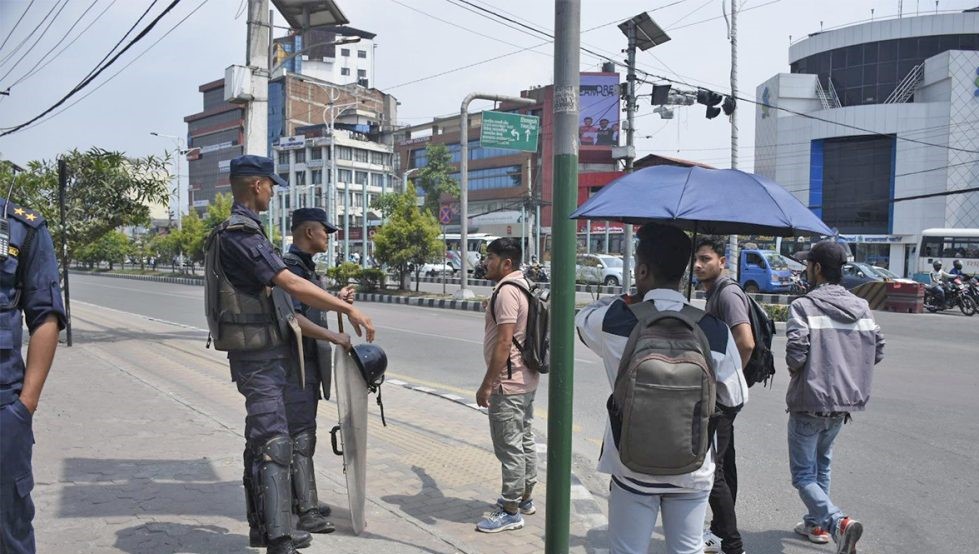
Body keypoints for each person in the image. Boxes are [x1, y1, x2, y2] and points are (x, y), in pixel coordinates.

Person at [204, 155, 375, 554]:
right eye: (270, 185)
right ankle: (279, 539)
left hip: (264, 353)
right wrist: (345, 308)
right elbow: (288, 283)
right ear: (255, 186)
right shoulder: (241, 234)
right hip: (259, 357)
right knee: (275, 443)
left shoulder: (247, 231)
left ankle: (265, 529)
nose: (273, 192)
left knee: (262, 442)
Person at [575, 224, 747, 554]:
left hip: (631, 466)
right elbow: (735, 398)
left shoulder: (615, 320)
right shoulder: (715, 330)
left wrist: (626, 298)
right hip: (693, 468)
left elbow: (583, 319)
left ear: (641, 269)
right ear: (685, 271)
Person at [785, 241, 885, 554]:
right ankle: (817, 526)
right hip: (843, 404)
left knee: (803, 475)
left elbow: (795, 353)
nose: (805, 269)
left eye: (807, 264)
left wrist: (798, 367)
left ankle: (837, 522)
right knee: (822, 465)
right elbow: (877, 349)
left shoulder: (803, 306)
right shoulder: (862, 307)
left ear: (816, 268)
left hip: (810, 402)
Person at [282, 208, 358, 535]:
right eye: (325, 231)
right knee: (301, 437)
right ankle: (307, 511)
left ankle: (300, 499)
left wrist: (336, 299)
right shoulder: (287, 268)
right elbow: (293, 319)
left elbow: (310, 304)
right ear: (309, 232)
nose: (328, 236)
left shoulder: (305, 269)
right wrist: (333, 335)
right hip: (294, 368)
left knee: (303, 433)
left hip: (308, 366)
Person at [0, 198, 66, 554]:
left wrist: (26, 404)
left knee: (8, 528)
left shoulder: (22, 228)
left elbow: (46, 317)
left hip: (3, 406)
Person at [692, 238, 753, 554]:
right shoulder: (714, 293)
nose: (699, 265)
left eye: (706, 259)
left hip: (723, 397)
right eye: (696, 259)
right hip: (726, 395)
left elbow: (746, 342)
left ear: (722, 261)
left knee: (713, 471)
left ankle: (732, 544)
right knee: (725, 464)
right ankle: (719, 531)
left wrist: (726, 378)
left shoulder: (727, 294)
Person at [475, 237, 539, 533]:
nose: (486, 262)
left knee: (509, 446)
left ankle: (510, 508)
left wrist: (488, 384)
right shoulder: (522, 284)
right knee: (524, 440)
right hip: (525, 380)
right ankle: (525, 496)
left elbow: (504, 342)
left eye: (490, 257)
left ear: (506, 262)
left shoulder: (506, 293)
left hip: (508, 384)